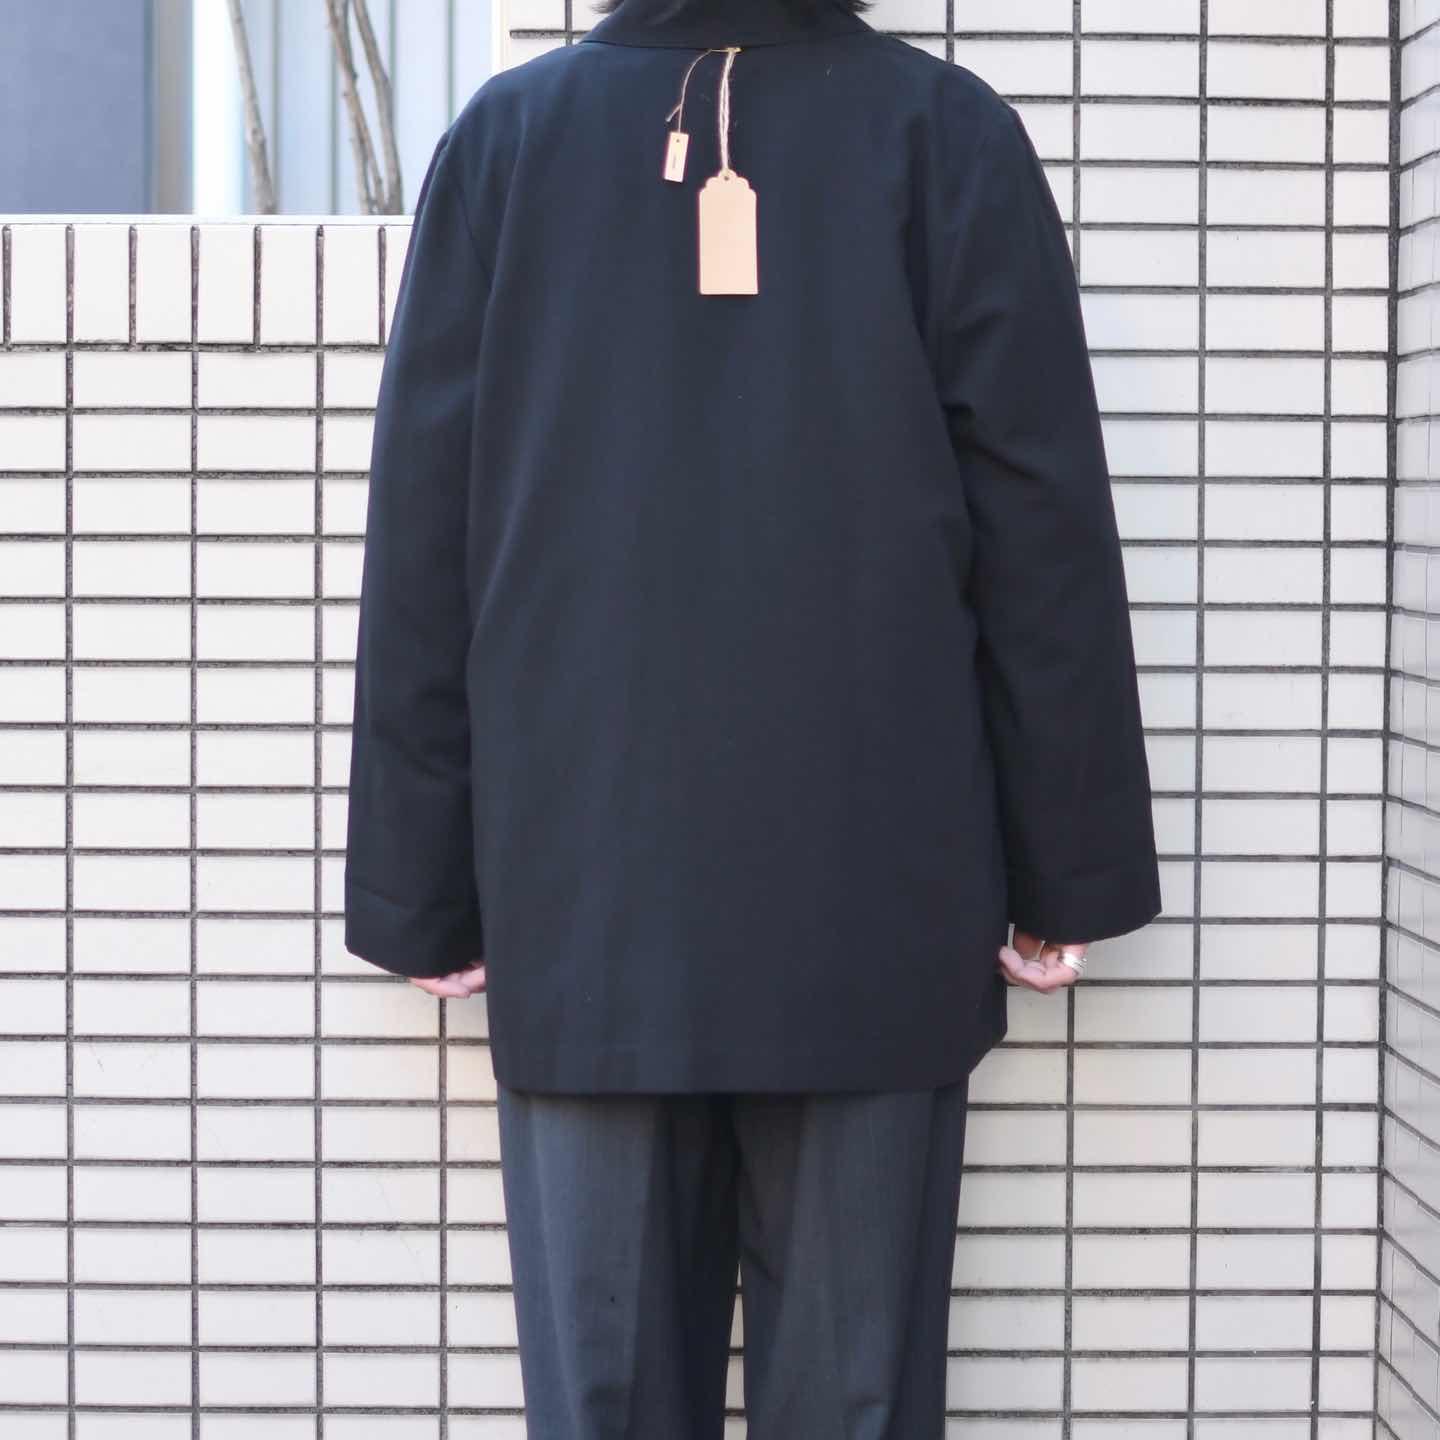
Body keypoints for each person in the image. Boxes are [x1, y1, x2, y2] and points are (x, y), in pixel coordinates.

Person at [342, 0, 1164, 1433]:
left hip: (590, 906)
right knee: (855, 1398)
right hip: (873, 903)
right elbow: (1042, 531)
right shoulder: (944, 136)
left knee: (607, 1399)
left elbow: (425, 537)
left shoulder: (508, 146)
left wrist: (423, 888)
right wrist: (1065, 871)